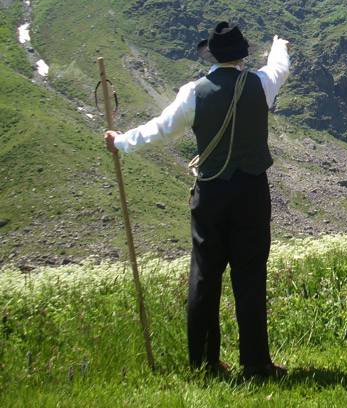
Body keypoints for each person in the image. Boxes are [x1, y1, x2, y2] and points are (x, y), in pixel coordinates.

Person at [104, 21, 290, 379]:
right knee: (250, 276)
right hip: (252, 192)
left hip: (211, 193)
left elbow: (160, 128)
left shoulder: (194, 92)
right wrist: (279, 44)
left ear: (213, 55)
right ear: (242, 56)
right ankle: (256, 363)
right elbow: (278, 68)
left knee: (205, 275)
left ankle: (204, 363)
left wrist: (121, 141)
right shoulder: (260, 85)